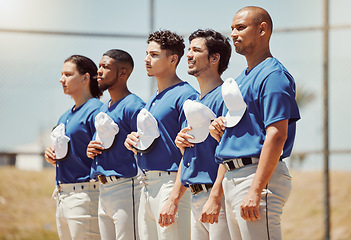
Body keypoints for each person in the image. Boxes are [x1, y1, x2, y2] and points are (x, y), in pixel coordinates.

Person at [209, 6, 301, 240]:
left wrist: (256, 189)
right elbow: (246, 130)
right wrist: (222, 128)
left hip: (256, 176)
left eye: (240, 27)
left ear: (262, 29)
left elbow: (277, 135)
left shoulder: (273, 75)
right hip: (234, 176)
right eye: (232, 28)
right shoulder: (242, 79)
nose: (233, 34)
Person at [158, 29, 232, 240]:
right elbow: (187, 157)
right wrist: (173, 198)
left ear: (215, 58)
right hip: (195, 197)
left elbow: (230, 153)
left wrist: (216, 196)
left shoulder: (225, 96)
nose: (188, 55)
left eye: (196, 50)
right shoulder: (193, 104)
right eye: (189, 50)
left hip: (217, 197)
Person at [124, 30, 198, 240]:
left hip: (171, 184)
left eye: (154, 55)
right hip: (146, 185)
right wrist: (135, 142)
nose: (147, 59)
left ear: (173, 59)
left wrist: (174, 198)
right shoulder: (152, 100)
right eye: (147, 53)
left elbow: (191, 152)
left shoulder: (186, 95)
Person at [86, 49, 145, 240]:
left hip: (127, 187)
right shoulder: (104, 108)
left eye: (106, 67)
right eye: (99, 66)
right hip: (104, 189)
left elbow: (147, 145)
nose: (99, 72)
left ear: (123, 73)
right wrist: (91, 150)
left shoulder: (134, 105)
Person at [44, 55, 103, 239]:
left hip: (85, 196)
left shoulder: (97, 110)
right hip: (63, 195)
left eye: (68, 74)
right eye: (62, 74)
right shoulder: (65, 116)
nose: (62, 79)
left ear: (85, 78)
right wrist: (53, 156)